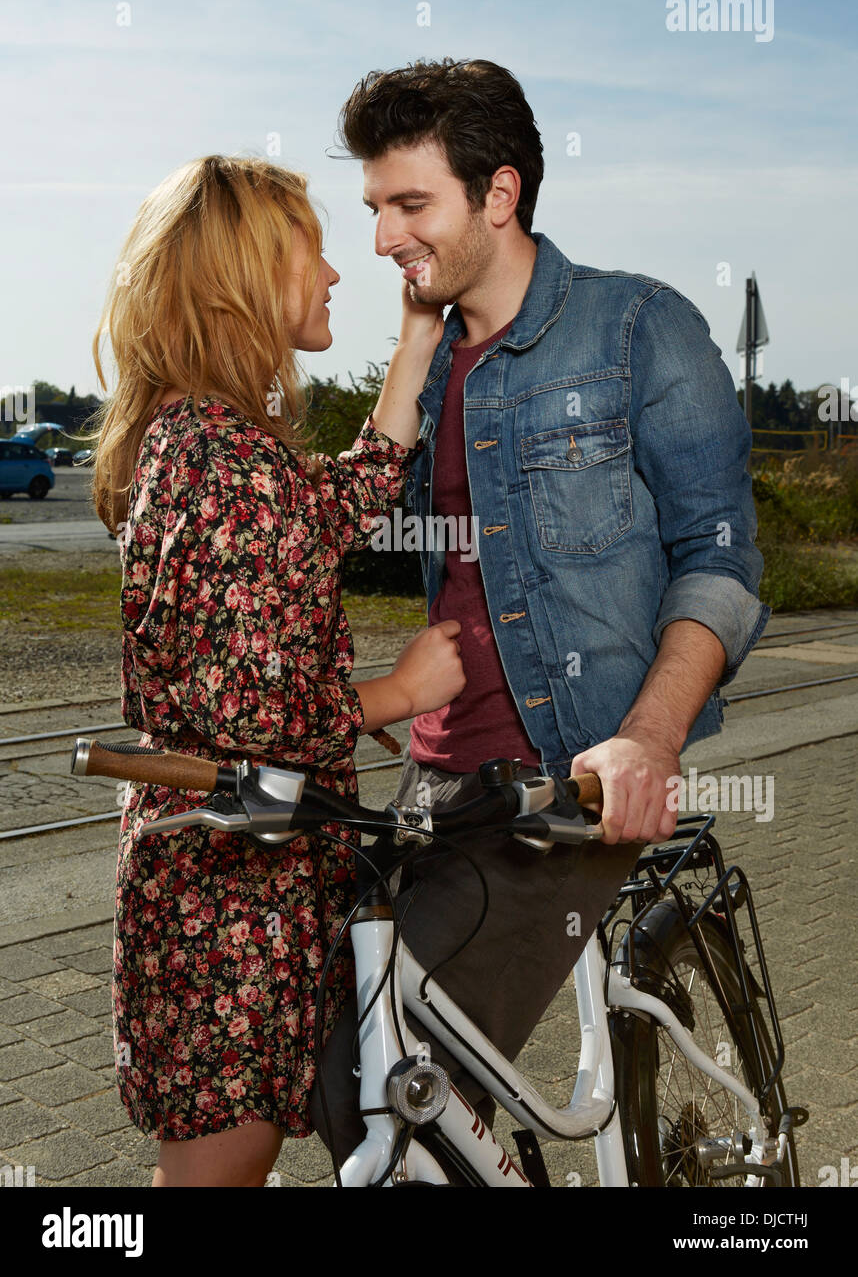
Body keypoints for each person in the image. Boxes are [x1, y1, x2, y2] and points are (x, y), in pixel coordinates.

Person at [308, 58, 771, 1169]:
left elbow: (718, 556)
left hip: (568, 781)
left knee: (391, 1077)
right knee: (346, 1073)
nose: (380, 238)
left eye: (407, 204)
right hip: (435, 779)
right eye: (373, 207)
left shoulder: (636, 329)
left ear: (498, 195)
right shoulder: (425, 366)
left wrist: (649, 737)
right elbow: (380, 554)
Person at [88, 154, 465, 1186]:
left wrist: (417, 339)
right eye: (314, 251)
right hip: (226, 910)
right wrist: (398, 692)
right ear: (244, 277)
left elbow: (331, 512)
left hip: (243, 883)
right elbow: (246, 704)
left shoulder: (213, 438)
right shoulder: (215, 456)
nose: (339, 273)